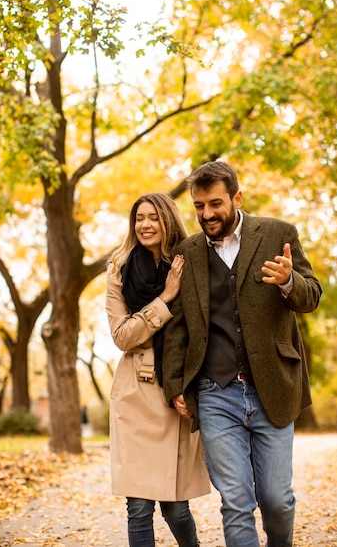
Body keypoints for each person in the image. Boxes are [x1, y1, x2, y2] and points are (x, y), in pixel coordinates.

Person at [162, 161, 322, 547]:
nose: (207, 214)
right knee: (235, 502)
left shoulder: (278, 235)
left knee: (277, 501)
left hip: (273, 387)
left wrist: (289, 282)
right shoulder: (189, 253)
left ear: (237, 197)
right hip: (215, 393)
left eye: (215, 203)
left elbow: (311, 296)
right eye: (199, 206)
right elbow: (178, 327)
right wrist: (175, 385)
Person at [105, 192, 210, 547]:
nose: (145, 225)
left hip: (175, 390)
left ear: (167, 220)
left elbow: (203, 330)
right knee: (138, 507)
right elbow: (122, 336)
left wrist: (189, 386)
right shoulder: (119, 269)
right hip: (135, 394)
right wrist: (164, 298)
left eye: (153, 217)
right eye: (139, 218)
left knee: (176, 509)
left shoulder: (194, 261)